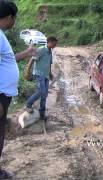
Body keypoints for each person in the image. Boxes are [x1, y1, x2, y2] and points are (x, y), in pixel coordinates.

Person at [0, 0, 34, 178]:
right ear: (9, 17)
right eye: (15, 18)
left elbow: (8, 59)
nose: (14, 22)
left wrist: (27, 52)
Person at [25, 37, 58, 120]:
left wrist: (50, 74)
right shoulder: (41, 49)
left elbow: (49, 64)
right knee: (41, 91)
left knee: (44, 94)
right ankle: (28, 104)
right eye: (55, 43)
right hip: (39, 74)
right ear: (50, 42)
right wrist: (27, 71)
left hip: (46, 75)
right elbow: (32, 59)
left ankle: (42, 113)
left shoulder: (50, 52)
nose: (55, 45)